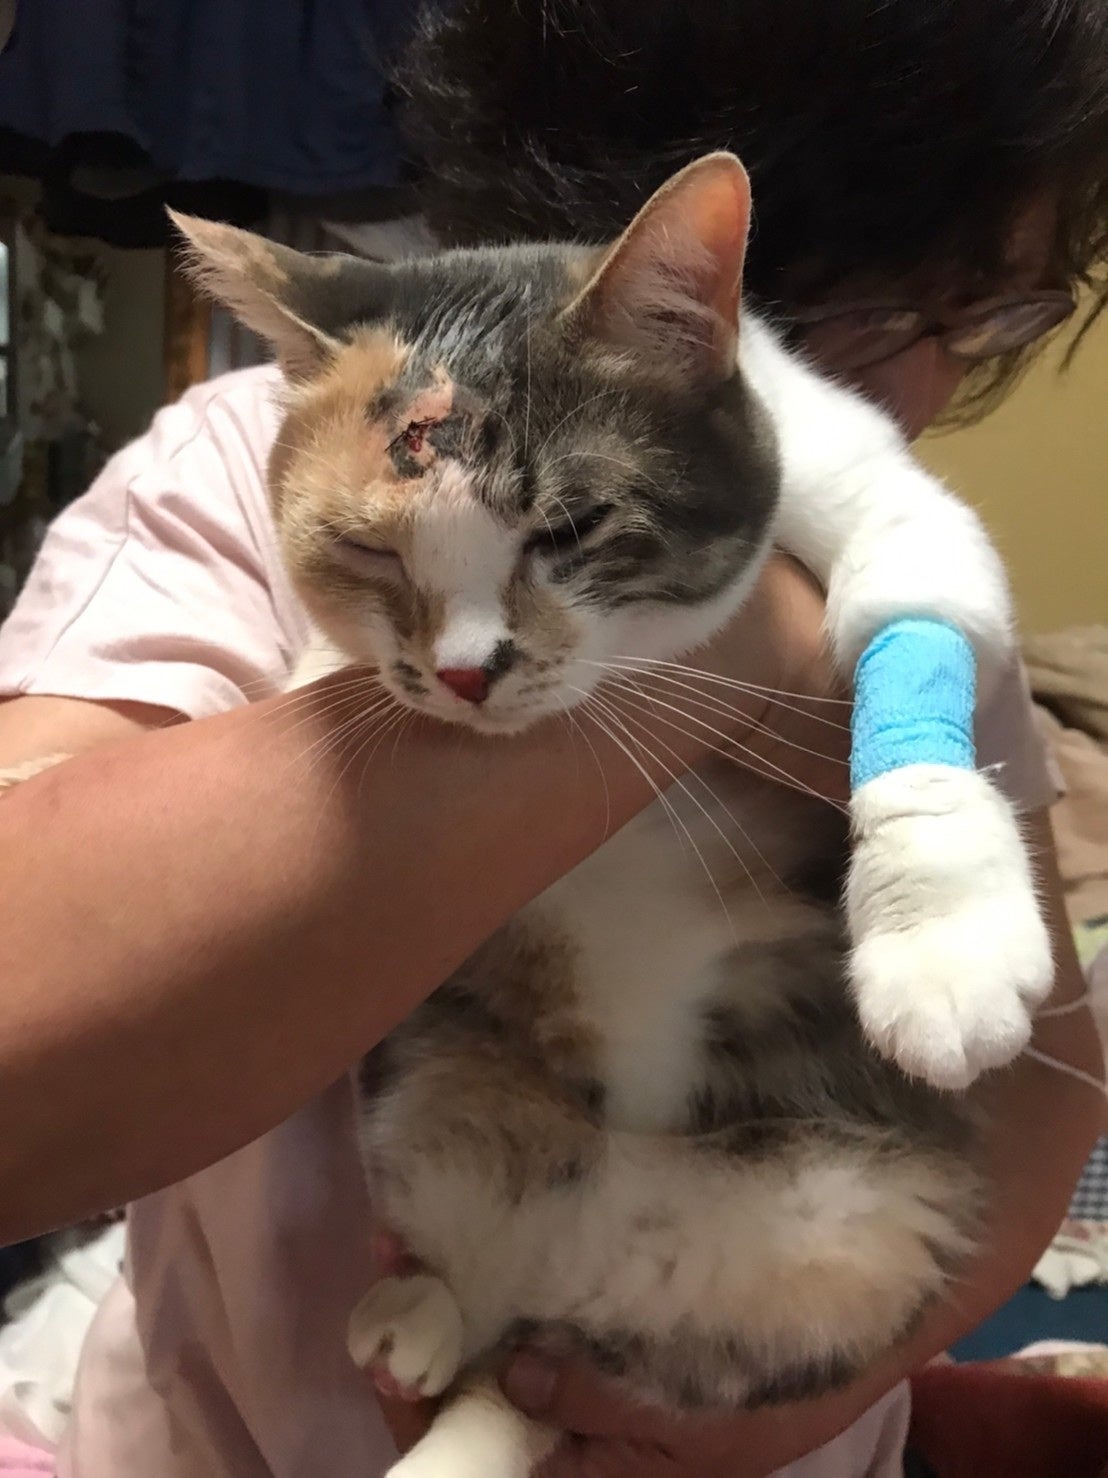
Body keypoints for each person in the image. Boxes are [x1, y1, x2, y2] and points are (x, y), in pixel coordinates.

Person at [0, 1, 1105, 1473]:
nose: (932, 388)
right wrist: (742, 634)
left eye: (992, 322)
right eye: (910, 312)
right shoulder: (252, 468)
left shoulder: (913, 589)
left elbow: (1036, 1075)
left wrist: (798, 1396)